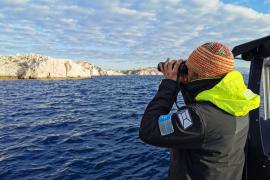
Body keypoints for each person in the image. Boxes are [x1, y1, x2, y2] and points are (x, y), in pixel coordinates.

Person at [139, 42, 260, 180]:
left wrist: (170, 84)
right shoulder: (238, 102)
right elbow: (202, 106)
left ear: (198, 74)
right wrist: (187, 81)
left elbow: (148, 129)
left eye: (188, 69)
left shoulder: (199, 118)